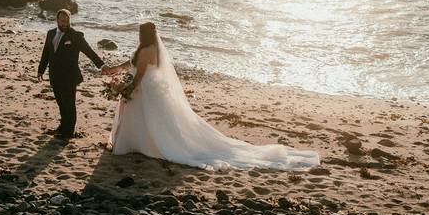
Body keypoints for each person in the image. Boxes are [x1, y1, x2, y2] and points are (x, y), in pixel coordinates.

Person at [104, 22, 319, 170]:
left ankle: (139, 145)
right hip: (151, 89)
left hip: (144, 89)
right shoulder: (149, 48)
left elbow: (140, 74)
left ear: (145, 35)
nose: (138, 35)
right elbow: (132, 64)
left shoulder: (146, 50)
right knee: (153, 121)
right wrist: (116, 70)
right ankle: (141, 144)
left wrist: (128, 88)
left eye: (140, 32)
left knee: (146, 119)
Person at [37, 8, 110, 140]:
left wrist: (102, 65)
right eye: (62, 21)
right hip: (54, 75)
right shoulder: (50, 33)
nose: (65, 23)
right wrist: (40, 70)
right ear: (57, 20)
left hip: (70, 76)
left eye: (67, 21)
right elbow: (46, 53)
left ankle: (69, 132)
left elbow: (89, 51)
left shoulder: (76, 36)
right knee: (60, 103)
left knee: (69, 104)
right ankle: (63, 126)